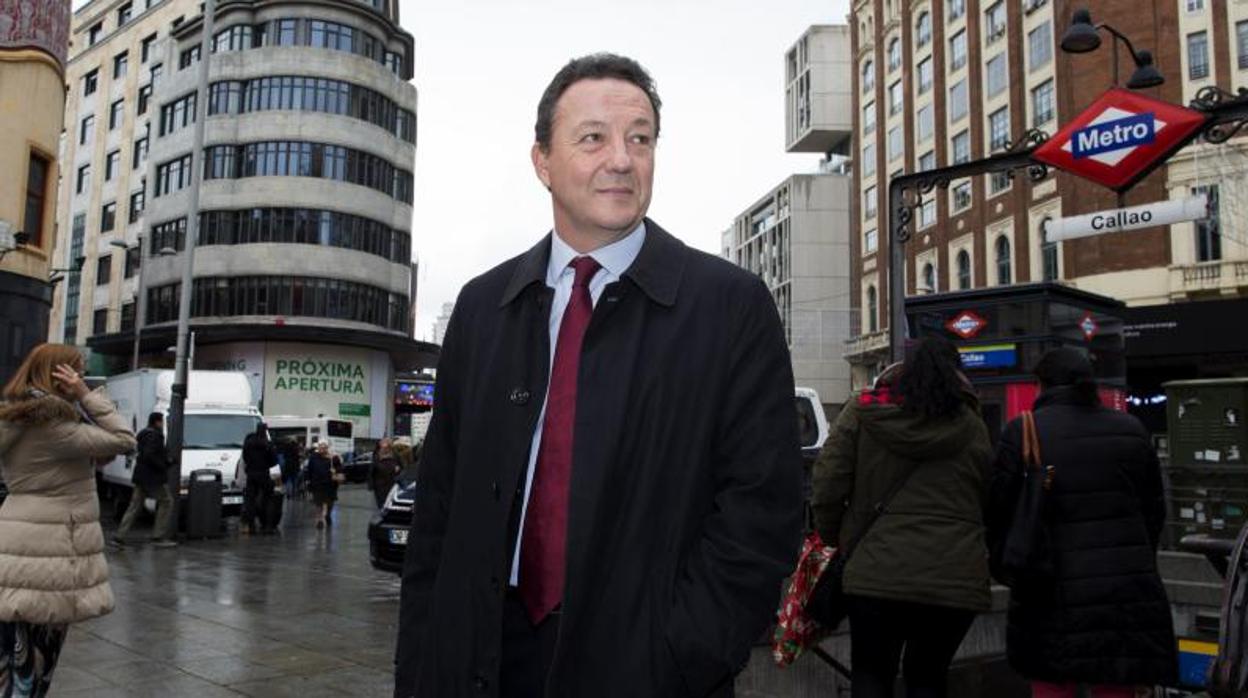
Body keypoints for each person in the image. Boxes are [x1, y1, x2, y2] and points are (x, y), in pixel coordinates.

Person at [394, 53, 803, 698]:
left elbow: (762, 514)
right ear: (542, 162)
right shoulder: (481, 306)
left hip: (646, 670)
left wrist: (679, 653)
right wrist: (422, 667)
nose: (621, 158)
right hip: (478, 660)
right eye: (593, 138)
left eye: (640, 138)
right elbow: (438, 512)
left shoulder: (730, 306)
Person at [987, 348, 1176, 698]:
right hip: (1124, 587)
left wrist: (1008, 569)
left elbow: (999, 510)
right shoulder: (1131, 430)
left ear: (1042, 385)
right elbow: (1154, 511)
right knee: (1115, 681)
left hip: (1047, 585)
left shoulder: (1024, 431)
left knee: (1051, 683)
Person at [812, 336, 994, 698]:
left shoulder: (862, 412)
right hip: (953, 576)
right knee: (928, 677)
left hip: (875, 572)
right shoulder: (973, 425)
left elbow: (828, 483)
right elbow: (987, 495)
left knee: (871, 673)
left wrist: (835, 537)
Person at [0, 344, 136, 696]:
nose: (81, 377)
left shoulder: (16, 416)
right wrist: (86, 396)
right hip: (50, 555)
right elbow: (123, 439)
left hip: (15, 544)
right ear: (60, 375)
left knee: (14, 667)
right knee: (36, 671)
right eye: (76, 371)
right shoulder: (53, 425)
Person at [112, 412, 176, 548]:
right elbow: (150, 455)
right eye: (162, 421)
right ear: (157, 422)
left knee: (134, 506)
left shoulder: (143, 434)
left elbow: (144, 453)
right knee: (167, 501)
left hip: (141, 476)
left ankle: (119, 536)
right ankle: (158, 536)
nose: (163, 424)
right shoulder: (155, 436)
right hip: (153, 478)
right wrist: (165, 464)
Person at [241, 423, 277, 534]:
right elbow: (273, 461)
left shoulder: (249, 441)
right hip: (264, 474)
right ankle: (268, 526)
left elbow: (245, 456)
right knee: (268, 499)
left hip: (251, 474)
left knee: (250, 500)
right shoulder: (267, 444)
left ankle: (251, 525)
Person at [306, 441, 342, 529]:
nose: (322, 449)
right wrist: (308, 480)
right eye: (320, 447)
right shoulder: (313, 457)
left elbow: (340, 468)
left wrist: (335, 470)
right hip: (317, 483)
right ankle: (319, 519)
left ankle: (328, 515)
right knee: (319, 503)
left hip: (330, 484)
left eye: (324, 447)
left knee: (330, 503)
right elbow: (309, 469)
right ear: (318, 448)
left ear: (327, 448)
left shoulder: (333, 457)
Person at [370, 437, 401, 508]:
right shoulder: (377, 455)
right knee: (382, 504)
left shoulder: (395, 455)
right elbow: (372, 470)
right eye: (383, 445)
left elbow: (402, 466)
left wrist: (398, 468)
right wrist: (371, 484)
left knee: (390, 503)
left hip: (392, 482)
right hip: (380, 485)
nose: (384, 448)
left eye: (387, 446)